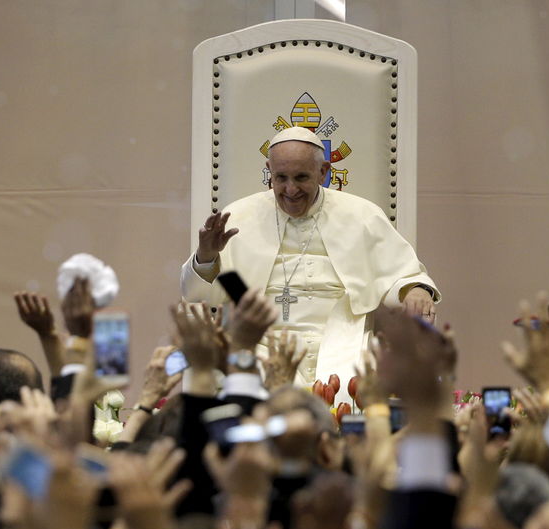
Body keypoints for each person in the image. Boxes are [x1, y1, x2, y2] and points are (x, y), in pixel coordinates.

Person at [180, 126, 441, 404]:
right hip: (263, 342)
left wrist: (414, 290)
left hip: (343, 338)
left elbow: (400, 273)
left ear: (323, 171)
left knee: (374, 376)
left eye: (301, 177)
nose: (290, 190)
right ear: (269, 170)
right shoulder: (240, 217)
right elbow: (203, 297)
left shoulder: (361, 215)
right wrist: (207, 257)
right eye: (281, 178)